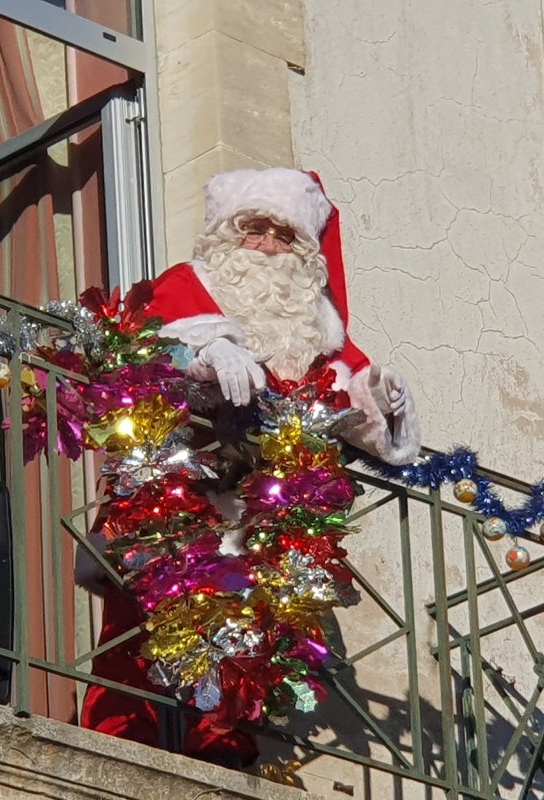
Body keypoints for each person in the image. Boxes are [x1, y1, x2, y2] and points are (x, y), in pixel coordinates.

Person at [79, 167, 422, 765]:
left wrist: (381, 396)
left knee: (245, 649)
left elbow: (347, 398)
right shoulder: (187, 284)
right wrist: (204, 350)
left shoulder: (316, 324)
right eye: (252, 229)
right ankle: (121, 748)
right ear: (225, 235)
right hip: (174, 501)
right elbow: (136, 347)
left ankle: (224, 755)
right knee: (140, 639)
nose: (265, 245)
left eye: (281, 235)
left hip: (265, 522)